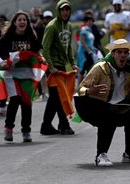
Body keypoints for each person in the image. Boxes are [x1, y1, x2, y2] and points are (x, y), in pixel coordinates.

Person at [75, 39, 130, 167]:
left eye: (125, 52)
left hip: (113, 106)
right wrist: (90, 90)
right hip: (91, 106)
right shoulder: (100, 68)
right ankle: (100, 155)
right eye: (119, 52)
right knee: (108, 115)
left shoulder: (127, 70)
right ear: (113, 54)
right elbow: (80, 89)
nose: (123, 55)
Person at [0, 10, 43, 142]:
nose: (22, 22)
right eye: (19, 19)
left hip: (26, 74)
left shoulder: (31, 36)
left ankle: (26, 131)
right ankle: (8, 128)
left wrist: (42, 58)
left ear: (27, 23)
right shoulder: (8, 36)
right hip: (11, 74)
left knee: (27, 103)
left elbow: (38, 51)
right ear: (15, 22)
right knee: (15, 100)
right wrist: (1, 62)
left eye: (24, 20)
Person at [40, 0, 79, 136]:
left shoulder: (68, 26)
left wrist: (72, 63)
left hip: (63, 66)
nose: (65, 12)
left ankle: (46, 126)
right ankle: (64, 125)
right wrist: (51, 67)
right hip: (53, 67)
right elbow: (45, 49)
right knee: (59, 96)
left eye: (67, 10)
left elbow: (68, 48)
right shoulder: (51, 26)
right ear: (58, 11)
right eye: (63, 10)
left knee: (54, 98)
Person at [34, 10, 53, 102]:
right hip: (41, 53)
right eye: (46, 18)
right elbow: (36, 39)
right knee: (40, 74)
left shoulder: (53, 28)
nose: (48, 20)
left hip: (51, 54)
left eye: (50, 18)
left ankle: (51, 92)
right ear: (43, 19)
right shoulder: (39, 28)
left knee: (50, 74)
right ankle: (42, 93)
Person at [76, 15, 96, 85]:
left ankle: (87, 85)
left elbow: (90, 43)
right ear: (86, 22)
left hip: (89, 52)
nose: (91, 22)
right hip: (84, 53)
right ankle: (79, 87)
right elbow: (82, 41)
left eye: (92, 21)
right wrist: (88, 50)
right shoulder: (84, 30)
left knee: (89, 69)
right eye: (89, 21)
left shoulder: (89, 30)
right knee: (83, 69)